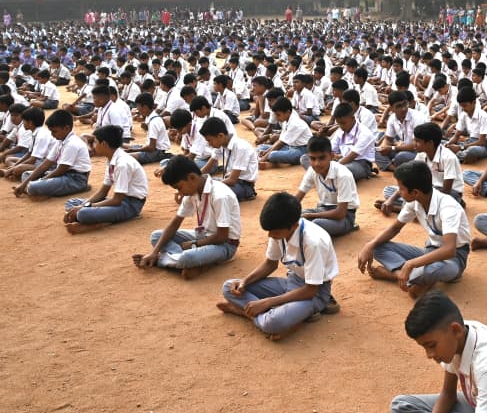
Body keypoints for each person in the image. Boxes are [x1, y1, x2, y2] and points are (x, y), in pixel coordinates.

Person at [217, 192, 340, 340]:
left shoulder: (313, 242)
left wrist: (268, 302)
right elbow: (270, 264)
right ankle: (279, 316)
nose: (270, 236)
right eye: (269, 231)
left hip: (315, 294)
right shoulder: (279, 231)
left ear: (294, 225)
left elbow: (310, 290)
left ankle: (245, 312)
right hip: (292, 282)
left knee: (272, 323)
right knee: (229, 286)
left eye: (274, 232)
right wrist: (245, 282)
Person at [357, 161, 471, 298]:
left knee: (431, 271)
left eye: (401, 188)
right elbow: (394, 228)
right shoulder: (415, 202)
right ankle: (403, 276)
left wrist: (411, 264)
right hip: (430, 251)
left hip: (453, 258)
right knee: (376, 246)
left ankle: (394, 274)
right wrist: (370, 245)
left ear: (415, 192)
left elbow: (449, 250)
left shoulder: (448, 207)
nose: (399, 192)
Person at [132, 155, 240, 280]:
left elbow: (222, 236)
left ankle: (165, 261)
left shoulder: (220, 196)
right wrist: (154, 252)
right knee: (156, 236)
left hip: (225, 245)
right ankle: (190, 263)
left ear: (192, 177)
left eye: (179, 187)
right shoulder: (192, 191)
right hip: (203, 236)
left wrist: (194, 244)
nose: (180, 193)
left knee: (187, 257)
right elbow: (175, 224)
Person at [63, 125, 148, 234]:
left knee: (82, 214)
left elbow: (117, 200)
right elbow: (103, 191)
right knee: (72, 203)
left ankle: (102, 222)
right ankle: (104, 218)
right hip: (120, 201)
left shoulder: (122, 164)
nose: (93, 146)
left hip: (131, 205)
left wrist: (85, 208)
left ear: (104, 144)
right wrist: (82, 205)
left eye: (95, 142)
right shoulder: (111, 159)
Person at [14, 109, 92, 198]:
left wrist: (41, 180)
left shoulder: (72, 144)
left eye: (54, 131)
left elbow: (61, 170)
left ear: (66, 128)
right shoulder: (60, 141)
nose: (52, 135)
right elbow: (46, 164)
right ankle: (37, 189)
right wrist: (25, 183)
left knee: (33, 186)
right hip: (63, 175)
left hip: (75, 179)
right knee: (26, 175)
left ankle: (80, 187)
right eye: (51, 131)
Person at [295, 136, 360, 237]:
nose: (317, 163)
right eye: (312, 158)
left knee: (316, 224)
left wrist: (311, 215)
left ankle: (350, 226)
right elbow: (298, 197)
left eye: (322, 158)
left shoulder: (343, 175)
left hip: (345, 216)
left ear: (331, 156)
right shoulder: (312, 170)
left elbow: (340, 213)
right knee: (295, 217)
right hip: (323, 209)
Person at [201, 116, 258, 201]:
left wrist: (209, 186)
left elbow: (232, 180)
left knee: (214, 193)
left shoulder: (241, 147)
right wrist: (194, 182)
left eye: (209, 140)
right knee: (204, 184)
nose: (209, 144)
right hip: (228, 180)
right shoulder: (221, 145)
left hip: (243, 185)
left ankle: (248, 194)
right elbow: (207, 168)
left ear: (220, 135)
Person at [258, 96, 311, 167]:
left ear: (288, 112)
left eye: (278, 115)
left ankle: (271, 163)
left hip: (302, 150)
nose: (277, 117)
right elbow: (280, 140)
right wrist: (266, 151)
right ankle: (272, 162)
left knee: (272, 155)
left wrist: (263, 158)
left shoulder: (295, 123)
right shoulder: (285, 121)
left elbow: (281, 143)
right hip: (290, 147)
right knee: (261, 147)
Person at [124, 93, 172, 164]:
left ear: (145, 107)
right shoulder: (152, 117)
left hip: (155, 153)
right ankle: (119, 144)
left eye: (138, 106)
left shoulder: (154, 122)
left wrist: (134, 150)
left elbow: (151, 148)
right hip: (156, 150)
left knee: (125, 157)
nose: (137, 109)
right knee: (132, 147)